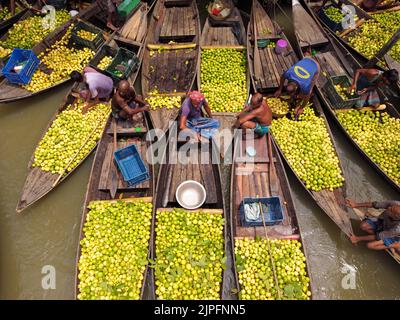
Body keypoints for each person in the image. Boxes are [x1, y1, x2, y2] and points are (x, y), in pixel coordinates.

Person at [274, 51, 320, 116]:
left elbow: (307, 97)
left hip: (316, 66)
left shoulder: (305, 86)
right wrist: (279, 89)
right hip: (305, 59)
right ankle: (308, 55)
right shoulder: (288, 74)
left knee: (310, 89)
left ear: (296, 87)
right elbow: (282, 78)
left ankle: (300, 98)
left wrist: (301, 108)